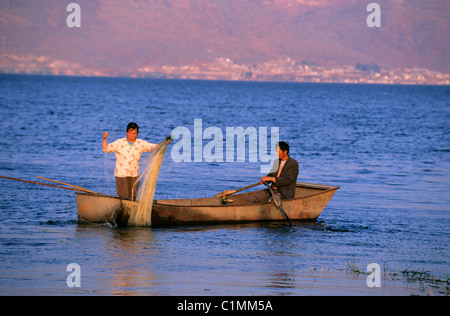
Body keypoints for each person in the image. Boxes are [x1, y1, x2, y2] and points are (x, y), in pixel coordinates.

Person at [102, 122, 169, 201]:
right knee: (124, 196)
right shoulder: (119, 143)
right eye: (130, 133)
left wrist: (164, 143)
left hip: (134, 174)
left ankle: (131, 212)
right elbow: (105, 149)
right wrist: (104, 139)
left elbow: (154, 147)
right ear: (127, 133)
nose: (132, 135)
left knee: (133, 197)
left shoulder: (140, 143)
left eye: (134, 133)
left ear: (137, 134)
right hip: (121, 174)